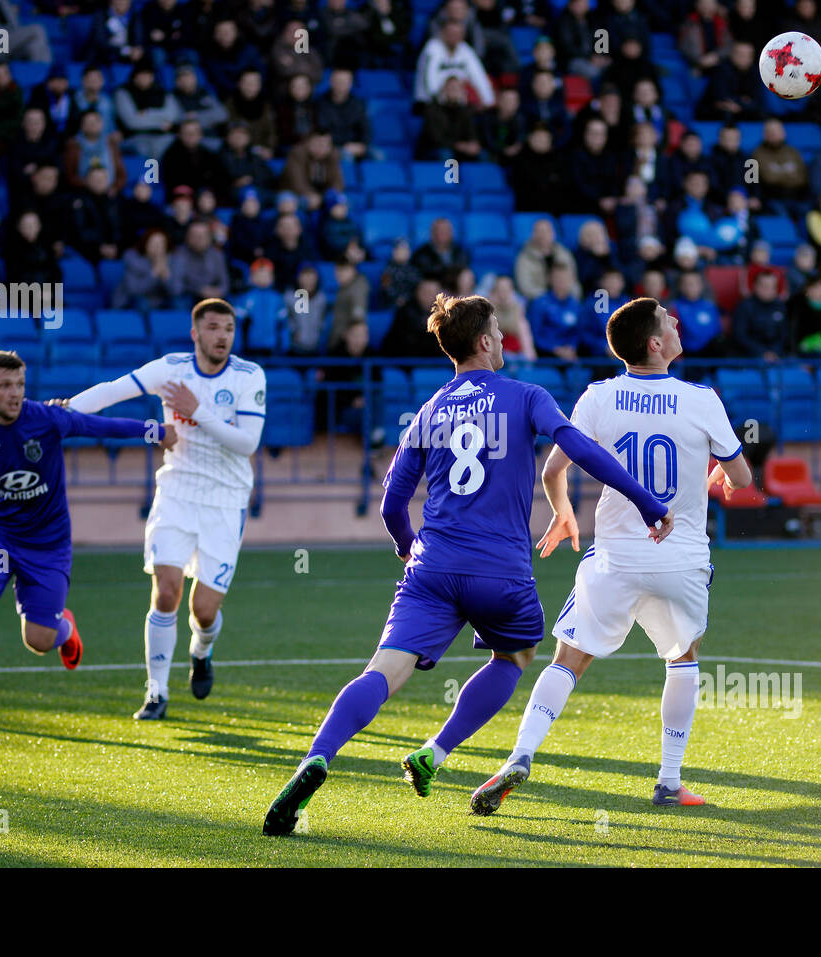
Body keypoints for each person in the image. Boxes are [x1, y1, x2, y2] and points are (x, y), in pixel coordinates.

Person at [262, 292, 672, 836]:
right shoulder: (526, 395)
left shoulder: (430, 410)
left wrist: (409, 546)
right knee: (516, 656)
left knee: (382, 673)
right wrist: (645, 499)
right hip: (500, 572)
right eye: (499, 332)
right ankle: (437, 749)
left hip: (432, 567)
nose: (504, 340)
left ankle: (317, 757)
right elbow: (579, 447)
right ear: (483, 341)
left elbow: (391, 502)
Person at [470, 296, 752, 814]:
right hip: (681, 559)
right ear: (656, 343)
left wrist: (562, 513)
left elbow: (553, 469)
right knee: (683, 659)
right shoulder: (702, 398)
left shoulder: (597, 397)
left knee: (569, 659)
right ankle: (669, 781)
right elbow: (742, 478)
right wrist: (718, 475)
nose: (676, 322)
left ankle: (520, 754)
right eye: (668, 320)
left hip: (614, 558)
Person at [0, 351, 176, 726]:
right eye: (5, 386)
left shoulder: (46, 418)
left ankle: (64, 628)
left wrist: (154, 431)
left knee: (38, 640)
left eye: (20, 384)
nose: (15, 393)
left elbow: (98, 427)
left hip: (49, 545)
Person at [64, 300, 265, 718]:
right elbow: (112, 390)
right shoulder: (172, 368)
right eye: (213, 327)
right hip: (176, 491)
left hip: (226, 501)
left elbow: (247, 443)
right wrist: (64, 411)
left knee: (204, 610)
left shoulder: (249, 376)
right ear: (195, 334)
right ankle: (156, 693)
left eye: (228, 328)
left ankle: (201, 651)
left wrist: (197, 412)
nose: (222, 335)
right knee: (167, 590)